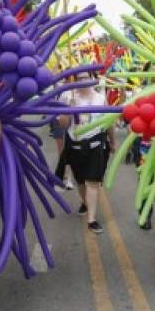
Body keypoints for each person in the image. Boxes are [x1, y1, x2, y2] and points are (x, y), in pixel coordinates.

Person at [57, 71, 115, 234]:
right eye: (79, 78)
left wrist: (113, 141)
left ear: (92, 79)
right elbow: (62, 124)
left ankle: (92, 219)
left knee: (93, 182)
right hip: (75, 145)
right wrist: (69, 108)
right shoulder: (68, 96)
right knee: (81, 181)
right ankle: (85, 202)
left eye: (86, 77)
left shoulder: (100, 98)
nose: (83, 80)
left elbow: (108, 121)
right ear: (75, 80)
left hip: (95, 144)